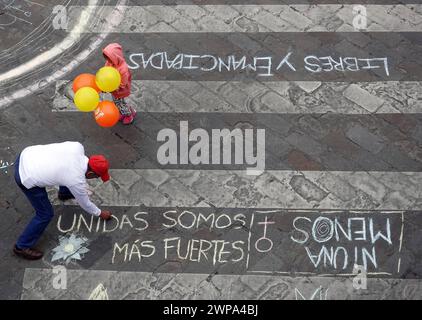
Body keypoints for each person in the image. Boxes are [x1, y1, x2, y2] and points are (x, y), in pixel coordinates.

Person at [13, 141, 112, 260]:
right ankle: (21, 246)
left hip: (27, 155)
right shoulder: (76, 180)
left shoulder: (78, 147)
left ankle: (64, 193)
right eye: (97, 177)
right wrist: (101, 213)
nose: (96, 179)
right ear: (90, 173)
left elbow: (64, 164)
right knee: (45, 214)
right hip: (25, 176)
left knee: (66, 174)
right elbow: (85, 204)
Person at [102, 43, 137, 125]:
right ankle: (130, 111)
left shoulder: (123, 69)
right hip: (113, 89)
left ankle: (128, 115)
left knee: (119, 103)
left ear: (116, 57)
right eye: (107, 58)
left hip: (120, 91)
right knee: (119, 103)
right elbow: (105, 71)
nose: (108, 61)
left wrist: (110, 88)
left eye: (110, 58)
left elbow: (122, 84)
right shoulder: (109, 63)